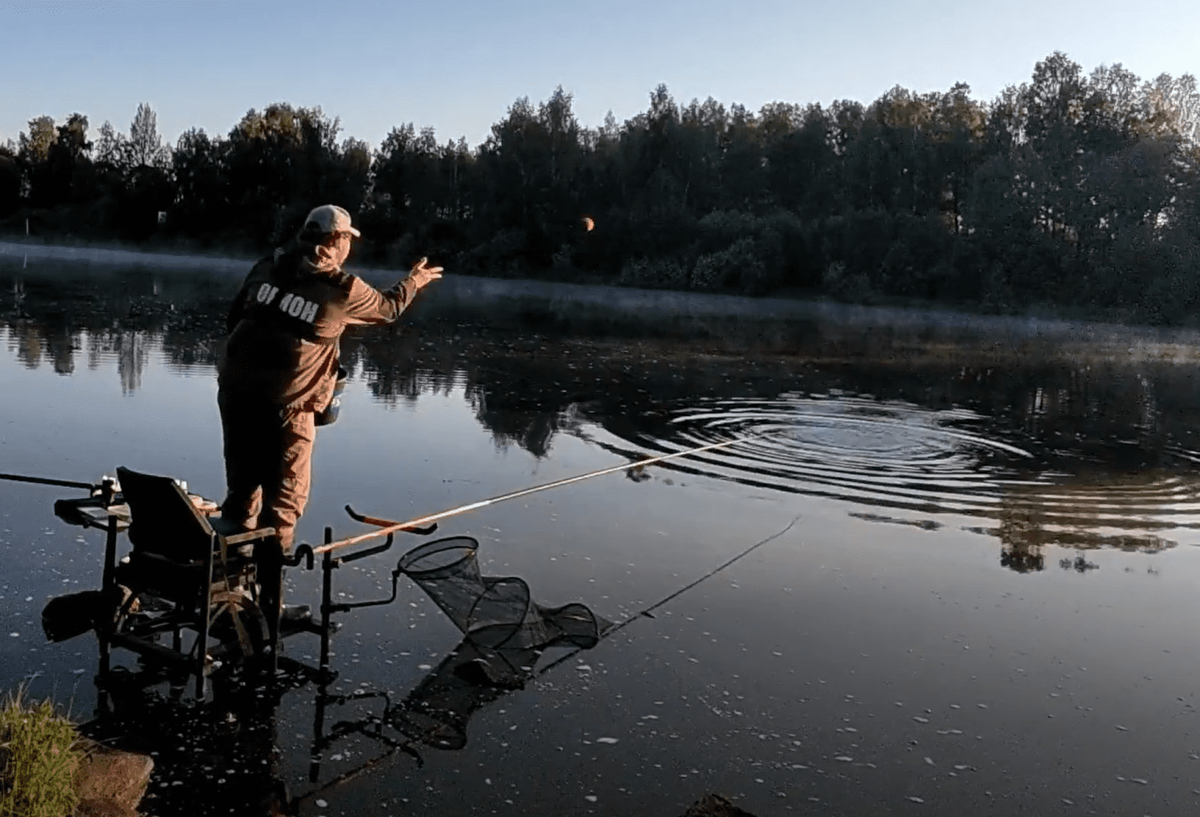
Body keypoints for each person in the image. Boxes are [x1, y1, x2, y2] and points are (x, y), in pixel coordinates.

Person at [217, 204, 441, 625]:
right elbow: (390, 309)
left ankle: (229, 596)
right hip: (288, 407)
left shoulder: (267, 266)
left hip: (234, 395)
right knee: (284, 506)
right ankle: (267, 611)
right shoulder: (341, 288)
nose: (349, 248)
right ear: (336, 242)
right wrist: (415, 281)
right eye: (348, 241)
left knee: (242, 495)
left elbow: (233, 319)